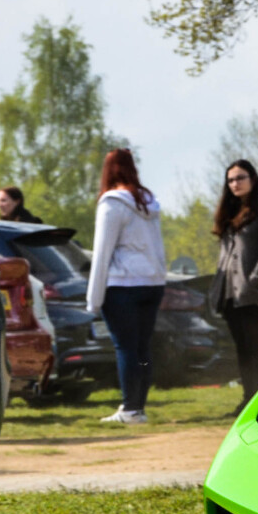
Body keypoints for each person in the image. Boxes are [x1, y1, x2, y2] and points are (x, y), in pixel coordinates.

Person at [85, 148, 168, 425]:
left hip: (122, 285)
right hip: (152, 283)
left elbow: (102, 252)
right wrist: (160, 278)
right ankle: (138, 408)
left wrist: (93, 299)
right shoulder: (148, 201)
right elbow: (158, 246)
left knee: (125, 347)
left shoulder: (112, 203)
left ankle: (130, 409)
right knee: (142, 347)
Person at [210, 159, 258, 394]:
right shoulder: (230, 212)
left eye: (240, 178)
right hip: (230, 294)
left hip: (253, 293)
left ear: (253, 179)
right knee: (241, 349)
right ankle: (247, 399)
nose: (235, 183)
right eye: (230, 180)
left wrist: (253, 281)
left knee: (255, 349)